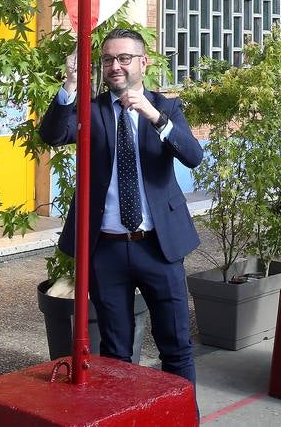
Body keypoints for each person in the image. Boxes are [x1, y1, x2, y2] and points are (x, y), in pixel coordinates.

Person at [39, 28, 203, 384]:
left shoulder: (166, 107)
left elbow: (194, 156)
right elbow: (52, 135)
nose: (116, 66)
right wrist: (69, 86)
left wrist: (154, 116)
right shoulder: (91, 109)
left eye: (124, 58)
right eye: (109, 59)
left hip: (159, 246)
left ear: (143, 63)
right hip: (106, 250)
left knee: (175, 344)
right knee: (115, 352)